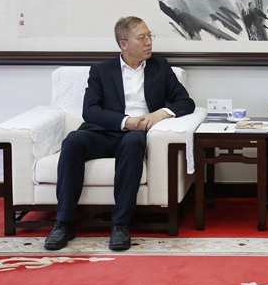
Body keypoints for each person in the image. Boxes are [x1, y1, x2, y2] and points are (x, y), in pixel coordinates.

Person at [45, 16, 195, 251]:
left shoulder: (160, 67)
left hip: (136, 135)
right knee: (73, 141)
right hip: (104, 132)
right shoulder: (101, 70)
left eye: (150, 36)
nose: (149, 42)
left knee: (133, 142)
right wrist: (126, 121)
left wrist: (159, 114)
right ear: (123, 44)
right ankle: (64, 223)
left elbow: (186, 102)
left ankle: (120, 225)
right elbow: (90, 111)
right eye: (142, 38)